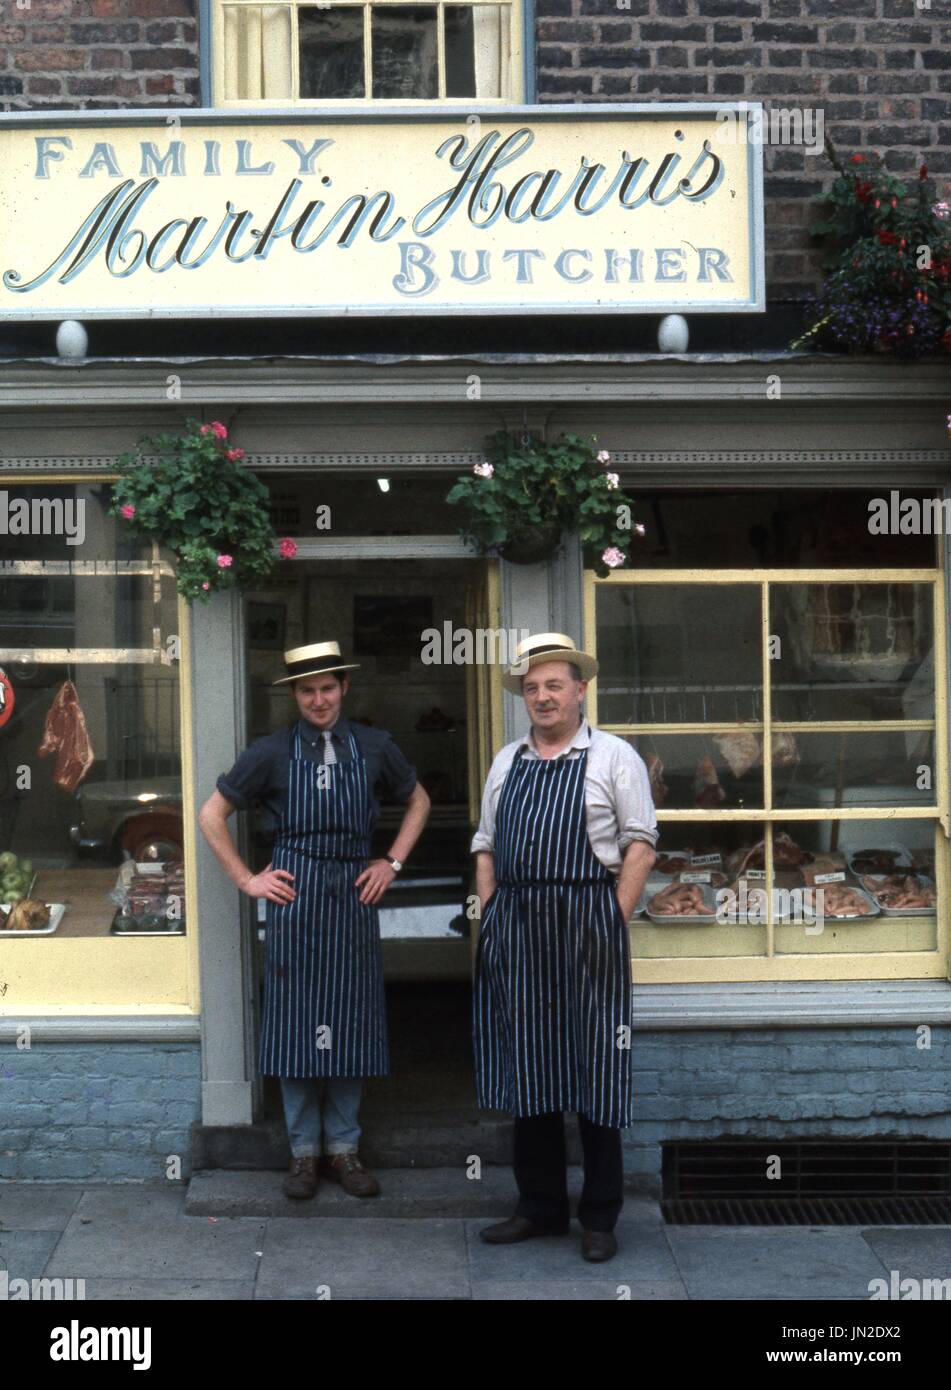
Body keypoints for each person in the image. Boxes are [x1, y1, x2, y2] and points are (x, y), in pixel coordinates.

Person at [198, 640, 431, 1199]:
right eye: (308, 690)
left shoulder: (376, 747)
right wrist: (248, 879)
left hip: (352, 893)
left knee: (350, 1017)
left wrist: (392, 862)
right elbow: (211, 814)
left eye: (328, 688)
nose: (319, 699)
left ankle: (345, 1150)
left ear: (344, 689)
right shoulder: (271, 752)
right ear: (294, 696)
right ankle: (303, 1153)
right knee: (297, 1020)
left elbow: (417, 801)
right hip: (294, 896)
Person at [471, 632, 657, 1262]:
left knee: (597, 1069)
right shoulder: (507, 761)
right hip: (518, 925)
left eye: (555, 685)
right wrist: (492, 909)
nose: (543, 697)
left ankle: (600, 1216)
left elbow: (641, 844)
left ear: (580, 689)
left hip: (588, 923)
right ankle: (540, 1208)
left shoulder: (613, 757)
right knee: (531, 1072)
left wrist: (612, 916)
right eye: (532, 688)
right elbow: (486, 844)